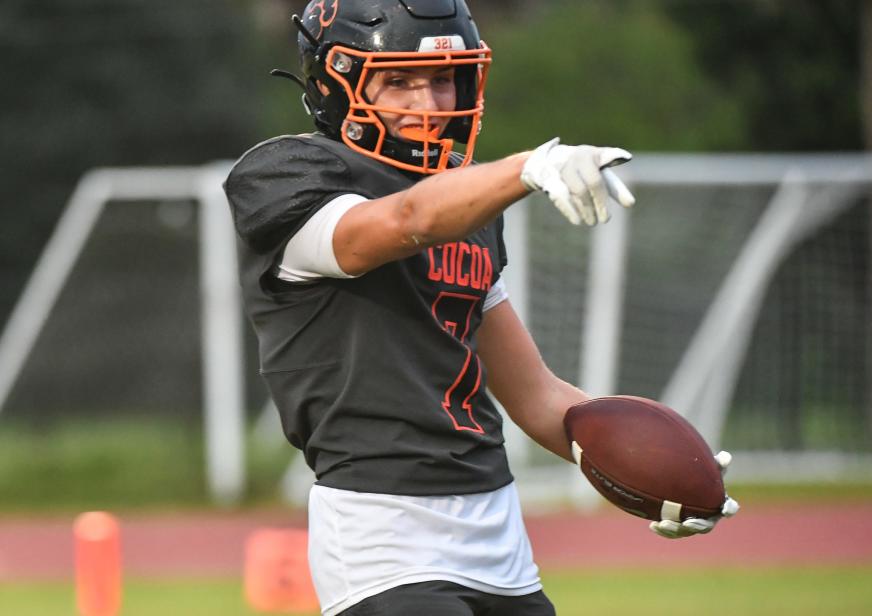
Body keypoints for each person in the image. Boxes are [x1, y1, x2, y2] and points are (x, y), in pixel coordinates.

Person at [223, 1, 738, 614]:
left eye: (443, 79)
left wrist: (668, 468)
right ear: (336, 82)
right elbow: (405, 220)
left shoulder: (470, 210)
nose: (430, 104)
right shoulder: (290, 175)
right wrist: (527, 167)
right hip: (381, 533)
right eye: (399, 80)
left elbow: (538, 395)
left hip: (498, 532)